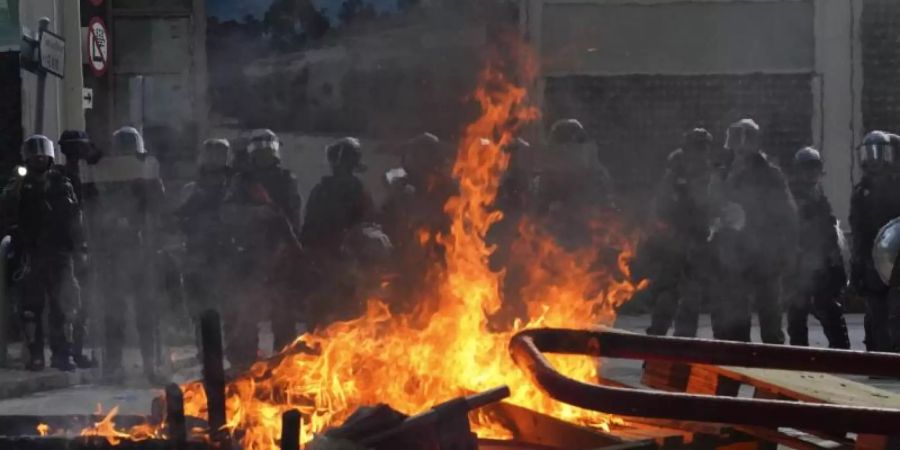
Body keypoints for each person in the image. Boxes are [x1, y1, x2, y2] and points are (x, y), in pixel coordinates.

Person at [0, 135, 87, 371]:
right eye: (34, 153)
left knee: (64, 306)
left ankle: (63, 353)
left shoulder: (61, 182)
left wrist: (80, 246)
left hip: (59, 252)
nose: (39, 157)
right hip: (31, 253)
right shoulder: (19, 182)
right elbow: (7, 208)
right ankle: (35, 354)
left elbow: (74, 216)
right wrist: (18, 187)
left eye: (42, 153)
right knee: (31, 308)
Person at [707, 119, 797, 343]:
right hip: (733, 255)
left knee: (770, 314)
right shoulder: (722, 174)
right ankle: (740, 359)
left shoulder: (770, 175)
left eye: (744, 140)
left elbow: (786, 214)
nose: (740, 149)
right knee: (735, 315)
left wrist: (783, 250)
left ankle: (774, 363)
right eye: (736, 141)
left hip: (765, 254)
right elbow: (710, 207)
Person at [222, 129, 303, 363]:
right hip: (248, 255)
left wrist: (287, 248)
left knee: (283, 316)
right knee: (246, 314)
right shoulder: (242, 182)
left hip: (279, 254)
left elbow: (292, 218)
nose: (266, 155)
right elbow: (227, 214)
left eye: (269, 150)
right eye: (261, 150)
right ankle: (244, 365)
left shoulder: (286, 179)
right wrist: (256, 214)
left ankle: (285, 365)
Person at [94, 127, 167, 382]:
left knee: (146, 314)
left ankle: (150, 365)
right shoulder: (106, 177)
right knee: (114, 313)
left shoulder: (148, 176)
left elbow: (159, 208)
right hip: (114, 252)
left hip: (142, 252)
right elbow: (96, 207)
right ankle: (113, 366)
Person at [645, 128, 713, 337]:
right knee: (668, 296)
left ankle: (683, 348)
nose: (701, 152)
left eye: (704, 147)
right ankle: (657, 347)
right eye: (697, 147)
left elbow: (712, 206)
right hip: (674, 244)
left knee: (690, 300)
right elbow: (660, 208)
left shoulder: (708, 174)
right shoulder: (674, 175)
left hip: (697, 243)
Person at [379, 133, 457, 312]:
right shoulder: (401, 185)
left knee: (434, 305)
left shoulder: (445, 186)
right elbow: (387, 217)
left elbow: (452, 222)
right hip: (405, 258)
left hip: (435, 257)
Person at [785, 147, 850, 348]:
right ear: (799, 170)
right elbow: (789, 227)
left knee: (828, 307)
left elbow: (828, 227)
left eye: (815, 168)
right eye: (807, 168)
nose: (811, 172)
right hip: (799, 263)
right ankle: (799, 357)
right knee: (798, 313)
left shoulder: (817, 194)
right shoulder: (791, 196)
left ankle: (839, 352)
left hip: (820, 262)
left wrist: (834, 256)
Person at [175, 139, 233, 334]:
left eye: (220, 154)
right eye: (212, 154)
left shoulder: (234, 188)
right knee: (199, 310)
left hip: (226, 255)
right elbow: (178, 221)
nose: (215, 159)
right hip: (197, 255)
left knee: (229, 311)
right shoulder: (192, 190)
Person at [531, 119, 615, 249]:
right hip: (552, 243)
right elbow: (537, 212)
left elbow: (604, 208)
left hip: (587, 240)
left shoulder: (596, 173)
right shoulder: (546, 176)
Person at [850, 131, 900, 352]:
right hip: (871, 257)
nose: (874, 158)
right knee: (874, 309)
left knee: (897, 309)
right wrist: (857, 265)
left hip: (897, 257)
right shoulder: (861, 191)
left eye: (879, 152)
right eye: (869, 153)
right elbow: (858, 230)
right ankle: (877, 356)